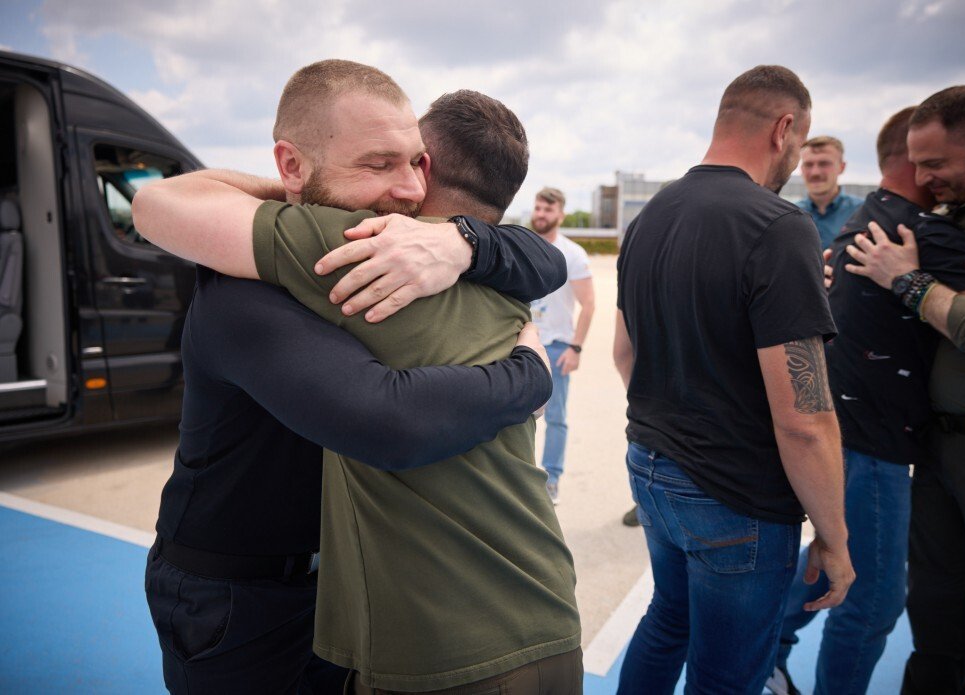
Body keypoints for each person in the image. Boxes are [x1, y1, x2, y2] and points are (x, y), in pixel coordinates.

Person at [137, 75, 583, 693]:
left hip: (345, 590)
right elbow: (386, 419)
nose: (411, 188)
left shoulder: (408, 255)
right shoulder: (253, 279)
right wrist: (527, 375)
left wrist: (465, 240)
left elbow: (546, 259)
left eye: (416, 163)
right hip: (241, 595)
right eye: (378, 164)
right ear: (293, 166)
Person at [612, 65, 854, 695]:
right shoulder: (778, 225)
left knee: (668, 620)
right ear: (784, 129)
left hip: (652, 464)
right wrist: (833, 537)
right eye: (799, 146)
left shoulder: (649, 217)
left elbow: (624, 352)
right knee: (727, 676)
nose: (796, 162)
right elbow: (805, 420)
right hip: (735, 494)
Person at [768, 108, 965, 695]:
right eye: (933, 162)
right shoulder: (925, 235)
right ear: (912, 158)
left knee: (836, 560)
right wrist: (917, 282)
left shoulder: (858, 221)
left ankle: (766, 649)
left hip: (850, 427)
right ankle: (768, 651)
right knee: (871, 603)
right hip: (876, 441)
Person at [844, 85, 965, 695]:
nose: (925, 179)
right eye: (917, 165)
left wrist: (908, 283)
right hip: (938, 447)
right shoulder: (955, 205)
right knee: (935, 617)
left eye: (935, 163)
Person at [528, 187, 595, 503]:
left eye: (548, 209)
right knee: (514, 419)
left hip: (556, 347)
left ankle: (551, 478)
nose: (541, 214)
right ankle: (522, 480)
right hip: (521, 344)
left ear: (561, 215)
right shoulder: (523, 245)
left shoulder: (572, 254)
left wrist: (575, 348)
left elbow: (589, 304)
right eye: (538, 208)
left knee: (555, 418)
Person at [796, 136, 864, 248]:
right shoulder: (790, 214)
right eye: (808, 164)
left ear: (842, 167)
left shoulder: (862, 212)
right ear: (801, 169)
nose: (815, 172)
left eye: (824, 164)